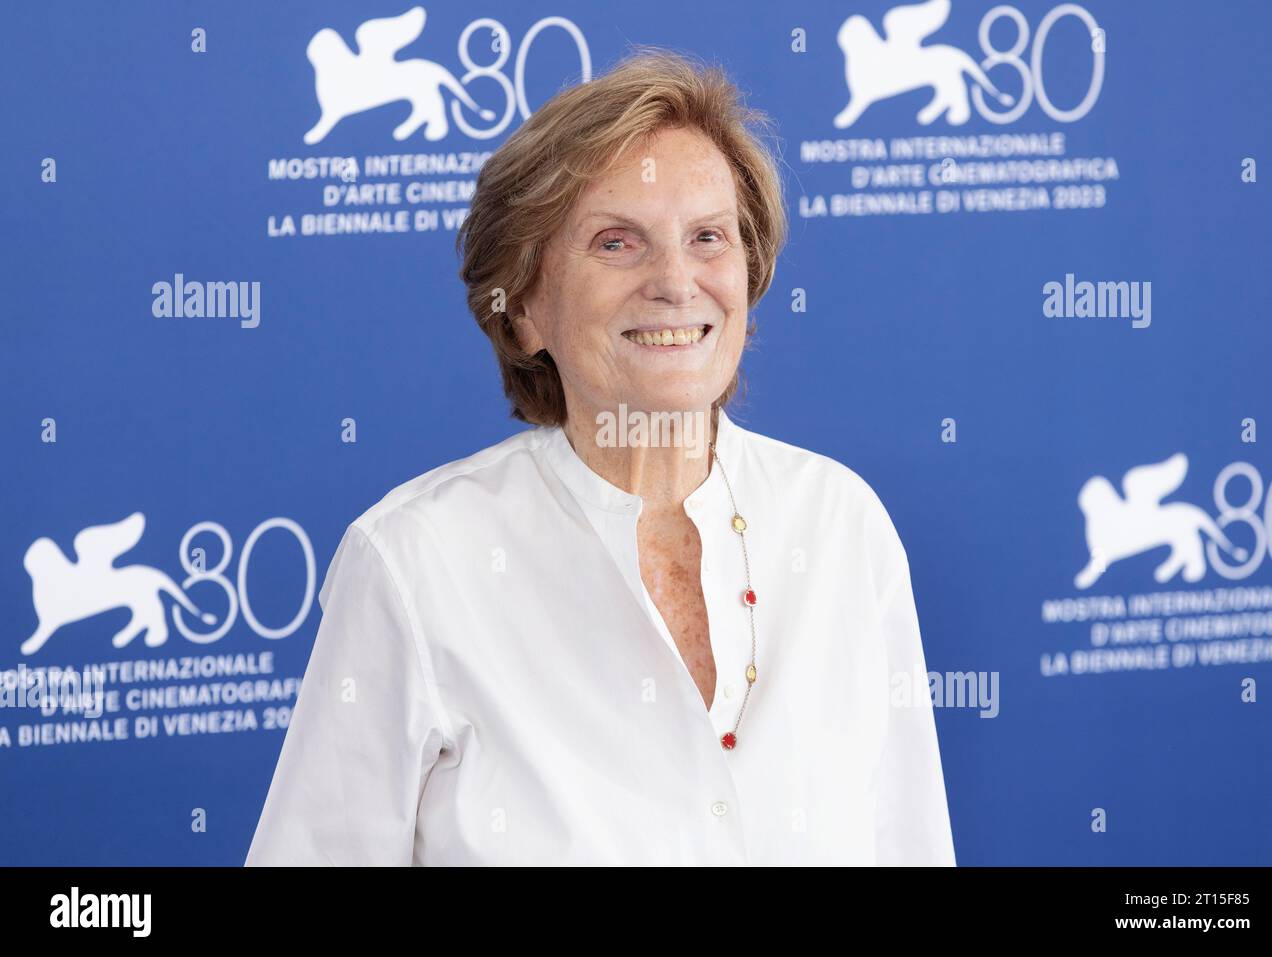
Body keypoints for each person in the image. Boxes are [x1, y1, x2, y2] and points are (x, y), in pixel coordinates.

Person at [245, 47, 955, 866]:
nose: (676, 281)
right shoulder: (414, 563)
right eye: (617, 243)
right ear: (523, 312)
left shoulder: (841, 524)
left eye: (707, 237)